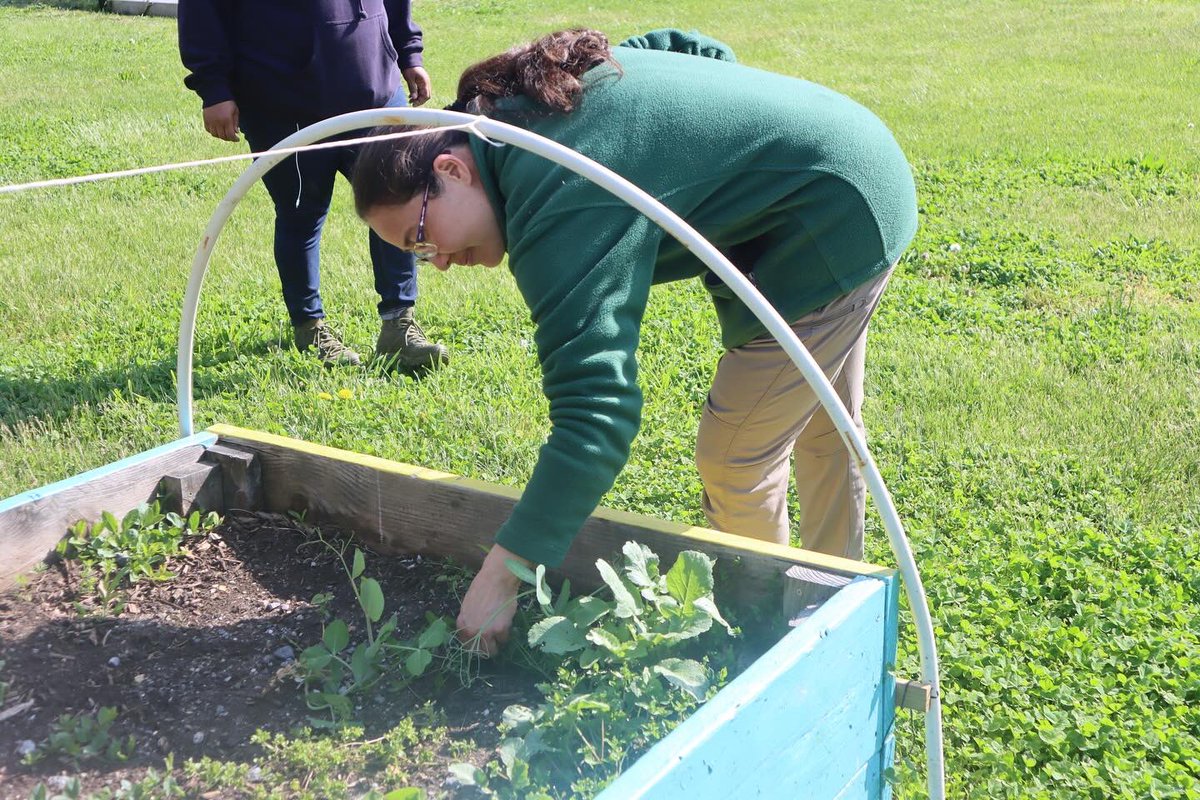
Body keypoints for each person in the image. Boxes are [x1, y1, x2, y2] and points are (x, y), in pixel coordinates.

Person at [351, 28, 918, 653]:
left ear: (451, 169)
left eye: (421, 238)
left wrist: (501, 575)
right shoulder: (517, 107)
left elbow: (596, 416)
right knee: (820, 423)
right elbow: (686, 46)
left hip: (834, 220)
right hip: (850, 156)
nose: (436, 264)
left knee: (736, 457)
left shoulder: (555, 193)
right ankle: (838, 597)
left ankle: (763, 636)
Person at [178, 0, 448, 369]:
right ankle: (310, 329)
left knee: (398, 197)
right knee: (301, 213)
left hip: (374, 86)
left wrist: (408, 52)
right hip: (280, 101)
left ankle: (399, 327)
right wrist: (214, 88)